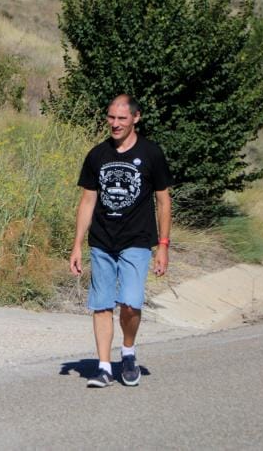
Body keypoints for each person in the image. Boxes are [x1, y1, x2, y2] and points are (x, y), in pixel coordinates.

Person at [70, 94, 172, 388]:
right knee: (101, 305)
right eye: (111, 118)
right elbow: (87, 201)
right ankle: (103, 366)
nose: (115, 124)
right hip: (101, 240)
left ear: (136, 118)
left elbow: (164, 202)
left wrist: (163, 245)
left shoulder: (152, 154)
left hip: (137, 241)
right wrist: (77, 244)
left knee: (130, 303)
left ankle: (127, 352)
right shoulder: (97, 155)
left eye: (122, 119)